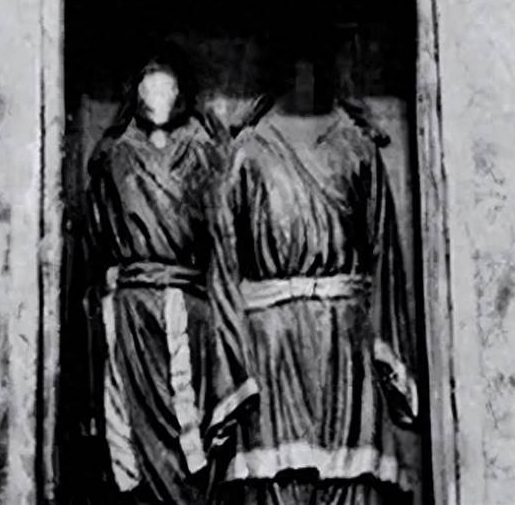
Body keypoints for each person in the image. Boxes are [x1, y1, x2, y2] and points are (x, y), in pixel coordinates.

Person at [206, 88, 422, 504]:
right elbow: (223, 266)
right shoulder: (247, 152)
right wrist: (233, 371)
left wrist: (386, 351)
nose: (303, 72)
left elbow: (385, 258)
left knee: (351, 476)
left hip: (344, 343)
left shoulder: (357, 148)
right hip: (272, 344)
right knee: (275, 475)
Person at [83, 44, 257, 504]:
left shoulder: (202, 152)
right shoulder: (115, 155)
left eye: (167, 89)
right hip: (132, 312)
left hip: (187, 307)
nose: (157, 99)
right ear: (136, 95)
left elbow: (224, 230)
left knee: (188, 427)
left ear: (181, 94)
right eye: (149, 89)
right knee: (135, 428)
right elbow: (96, 236)